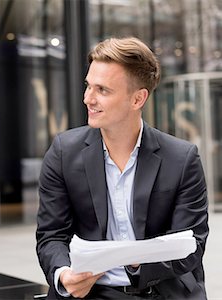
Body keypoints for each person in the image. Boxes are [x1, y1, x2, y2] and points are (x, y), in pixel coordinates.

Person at [36, 37, 208, 299]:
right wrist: (64, 274)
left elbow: (191, 247)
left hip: (161, 291)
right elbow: (51, 236)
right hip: (92, 293)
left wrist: (135, 259)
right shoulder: (63, 152)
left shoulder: (182, 159)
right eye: (88, 86)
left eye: (102, 90)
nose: (88, 99)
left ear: (138, 98)